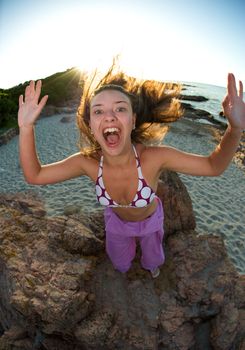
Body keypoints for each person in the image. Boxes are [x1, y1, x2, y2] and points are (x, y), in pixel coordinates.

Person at [18, 64, 245, 278]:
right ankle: (125, 268)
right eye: (99, 111)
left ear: (133, 120)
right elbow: (35, 175)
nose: (109, 116)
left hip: (150, 221)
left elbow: (213, 166)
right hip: (116, 222)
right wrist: (26, 128)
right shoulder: (86, 163)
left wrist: (235, 129)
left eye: (120, 108)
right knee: (120, 262)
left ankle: (151, 267)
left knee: (153, 258)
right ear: (90, 123)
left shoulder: (153, 158)